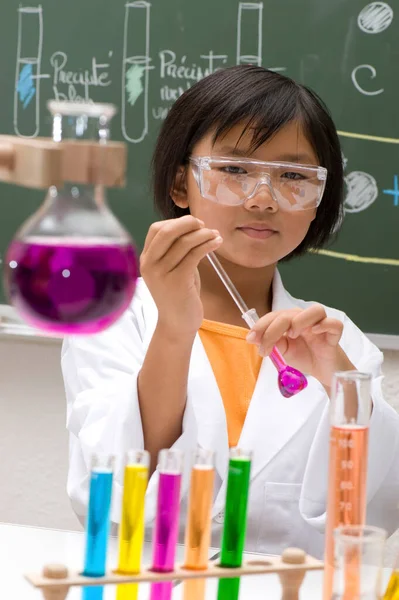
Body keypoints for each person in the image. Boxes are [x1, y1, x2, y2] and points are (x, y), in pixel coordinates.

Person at [62, 65, 399, 558]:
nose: (263, 199)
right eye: (235, 170)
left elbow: (379, 508)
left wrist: (342, 385)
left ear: (319, 198)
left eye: (293, 177)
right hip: (156, 583)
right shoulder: (113, 316)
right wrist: (174, 332)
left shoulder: (337, 339)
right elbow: (116, 491)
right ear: (182, 184)